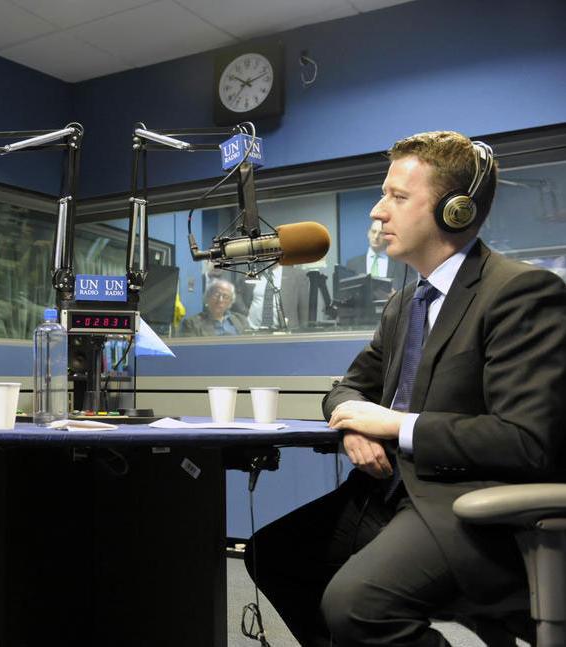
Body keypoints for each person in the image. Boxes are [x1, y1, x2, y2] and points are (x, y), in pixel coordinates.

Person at [244, 131, 566, 645]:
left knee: (356, 607)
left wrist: (395, 425)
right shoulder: (406, 303)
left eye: (397, 196)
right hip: (386, 493)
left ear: (455, 211)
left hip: (462, 505)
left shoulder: (520, 292)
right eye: (383, 195)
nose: (378, 211)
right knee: (273, 556)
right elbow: (347, 388)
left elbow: (526, 441)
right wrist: (355, 424)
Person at [237, 264, 310, 331]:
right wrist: (245, 312)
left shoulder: (297, 275)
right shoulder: (252, 273)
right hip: (253, 330)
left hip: (285, 332)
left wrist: (302, 331)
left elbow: (304, 307)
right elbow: (237, 293)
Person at [346, 219, 408, 287]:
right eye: (373, 232)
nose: (376, 237)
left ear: (387, 237)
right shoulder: (352, 264)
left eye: (381, 233)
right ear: (368, 233)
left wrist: (396, 292)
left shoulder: (401, 265)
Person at [179, 278, 248, 336]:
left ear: (231, 302)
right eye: (216, 295)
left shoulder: (241, 320)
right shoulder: (192, 323)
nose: (220, 300)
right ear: (207, 297)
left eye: (225, 296)